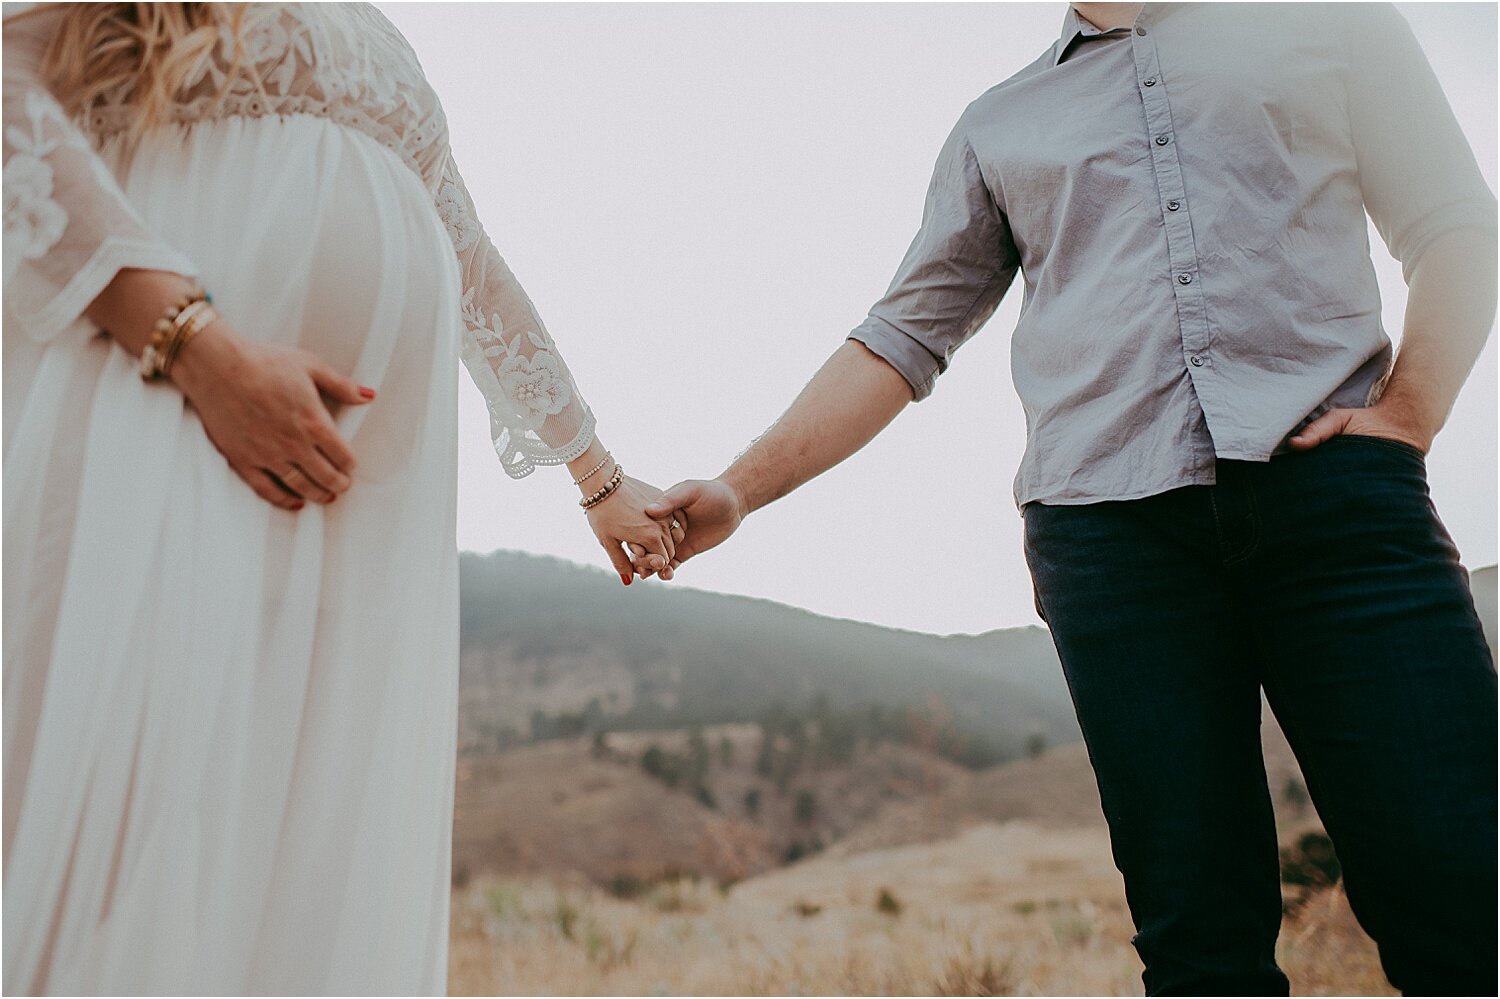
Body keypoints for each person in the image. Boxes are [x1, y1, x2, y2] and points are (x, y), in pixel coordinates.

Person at [649, 3, 1498, 994]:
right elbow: (902, 336)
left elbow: (1454, 221)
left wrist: (1411, 415)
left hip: (1342, 503)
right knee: (1197, 939)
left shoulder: (1330, 23)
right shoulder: (1001, 122)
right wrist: (741, 491)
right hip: (1114, 549)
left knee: (1462, 893)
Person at [2, 3, 679, 993]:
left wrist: (598, 476)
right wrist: (193, 343)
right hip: (161, 410)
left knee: (285, 847)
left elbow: (474, 271)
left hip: (360, 515)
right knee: (76, 818)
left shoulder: (381, 38)